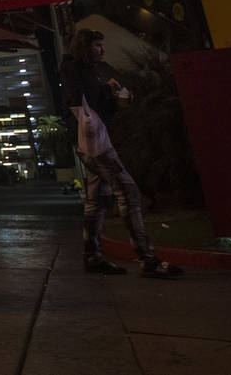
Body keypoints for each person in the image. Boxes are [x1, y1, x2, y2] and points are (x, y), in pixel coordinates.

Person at [61, 28, 183, 279]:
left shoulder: (84, 72)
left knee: (96, 200)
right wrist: (111, 93)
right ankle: (147, 258)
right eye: (97, 45)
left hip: (91, 145)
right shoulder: (77, 71)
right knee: (129, 192)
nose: (101, 50)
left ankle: (93, 257)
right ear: (85, 47)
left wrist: (110, 94)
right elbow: (85, 102)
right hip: (97, 145)